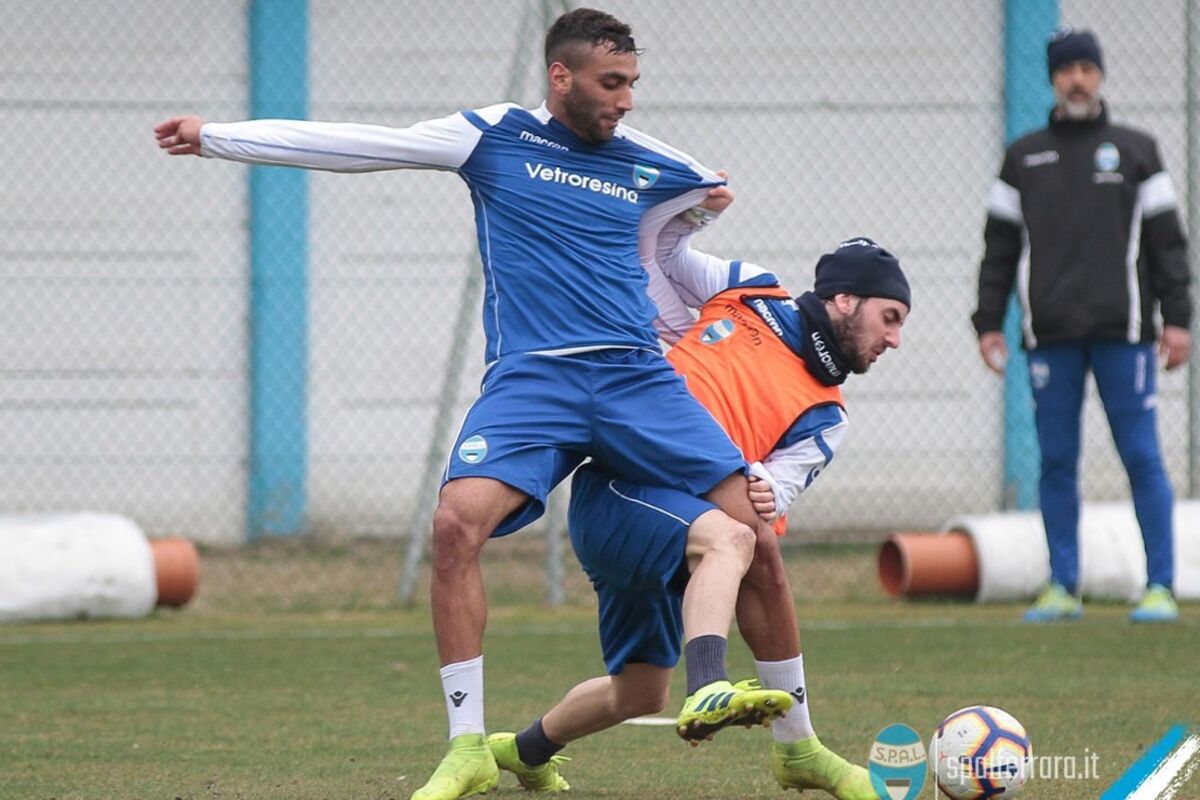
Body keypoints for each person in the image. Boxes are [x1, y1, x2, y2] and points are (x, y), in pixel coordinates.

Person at [155, 9, 790, 800]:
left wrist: (693, 219)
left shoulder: (654, 161)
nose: (626, 100)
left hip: (634, 378)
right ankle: (466, 747)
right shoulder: (491, 136)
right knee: (455, 525)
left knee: (757, 533)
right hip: (535, 380)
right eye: (610, 83)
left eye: (632, 83)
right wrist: (217, 137)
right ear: (560, 76)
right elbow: (362, 144)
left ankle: (798, 748)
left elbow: (692, 214)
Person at [485, 203, 909, 800]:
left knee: (640, 691)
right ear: (845, 299)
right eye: (889, 318)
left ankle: (521, 751)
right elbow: (660, 253)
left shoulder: (828, 417)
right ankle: (748, 712)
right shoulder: (752, 290)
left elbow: (774, 490)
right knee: (737, 540)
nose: (894, 339)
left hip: (685, 529)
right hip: (618, 491)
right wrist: (693, 203)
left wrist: (766, 487)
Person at [972, 27, 1191, 624]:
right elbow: (998, 250)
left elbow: (1168, 244)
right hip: (1050, 337)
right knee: (1056, 461)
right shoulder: (1023, 158)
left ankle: (1160, 587)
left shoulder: (1138, 151)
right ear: (1053, 79)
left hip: (1126, 334)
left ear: (1099, 75)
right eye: (1067, 70)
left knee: (1141, 456)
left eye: (1086, 70)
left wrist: (1178, 320)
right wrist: (988, 323)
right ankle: (1061, 586)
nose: (1077, 80)